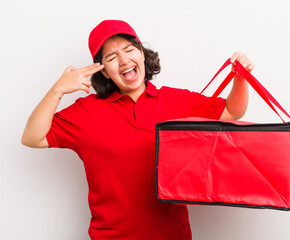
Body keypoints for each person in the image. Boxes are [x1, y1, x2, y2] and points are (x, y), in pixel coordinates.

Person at [21, 20, 254, 240]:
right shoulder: (85, 112)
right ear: (103, 71)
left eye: (128, 49)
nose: (123, 60)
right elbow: (32, 137)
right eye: (111, 57)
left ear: (141, 53)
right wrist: (57, 90)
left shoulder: (175, 101)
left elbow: (232, 112)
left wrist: (240, 77)